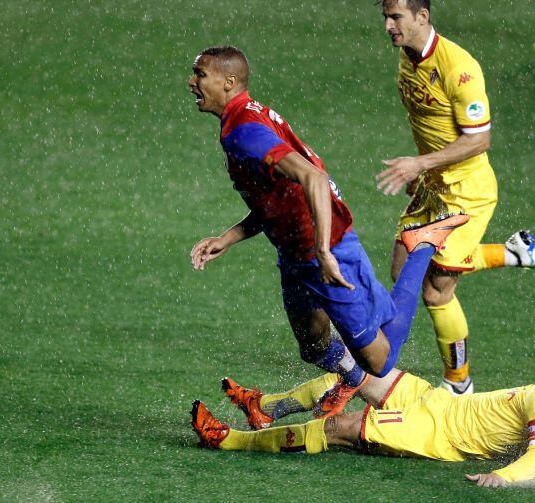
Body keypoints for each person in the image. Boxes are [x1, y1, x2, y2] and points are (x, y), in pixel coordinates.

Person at [187, 45, 469, 419]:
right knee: (313, 344)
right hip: (294, 251)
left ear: (229, 81)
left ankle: (421, 245)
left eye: (200, 75)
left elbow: (313, 178)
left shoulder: (243, 131)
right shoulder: (245, 118)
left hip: (325, 249)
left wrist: (323, 252)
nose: (192, 82)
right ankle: (351, 377)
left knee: (380, 360)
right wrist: (230, 237)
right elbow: (279, 195)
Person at [191, 329, 535, 487]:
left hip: (436, 433)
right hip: (440, 403)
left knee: (340, 424)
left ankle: (231, 440)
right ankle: (264, 408)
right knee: (349, 375)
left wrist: (507, 477)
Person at [374, 0, 535, 396]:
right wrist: (422, 170)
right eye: (386, 18)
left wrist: (420, 163)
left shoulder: (459, 68)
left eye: (396, 18)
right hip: (433, 185)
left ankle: (459, 382)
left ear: (421, 17)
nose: (389, 26)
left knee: (436, 289)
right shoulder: (408, 56)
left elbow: (479, 140)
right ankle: (514, 254)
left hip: (466, 193)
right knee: (402, 270)